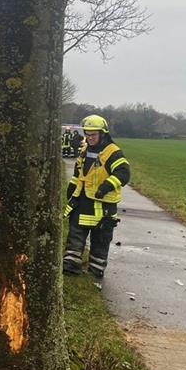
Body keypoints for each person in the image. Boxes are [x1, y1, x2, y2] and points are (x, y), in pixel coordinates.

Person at [63, 115, 131, 280]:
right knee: (76, 233)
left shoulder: (112, 152)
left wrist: (105, 187)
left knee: (100, 240)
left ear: (103, 134)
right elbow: (79, 174)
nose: (90, 137)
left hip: (103, 206)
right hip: (83, 201)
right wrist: (71, 190)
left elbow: (123, 173)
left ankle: (96, 272)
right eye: (88, 134)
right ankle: (71, 267)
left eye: (94, 134)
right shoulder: (85, 150)